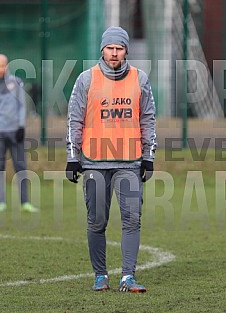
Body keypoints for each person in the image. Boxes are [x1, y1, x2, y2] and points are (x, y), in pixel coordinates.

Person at [66, 27, 157, 292]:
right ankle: (100, 275)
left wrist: (148, 157)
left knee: (132, 220)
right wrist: (73, 158)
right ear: (102, 50)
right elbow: (74, 120)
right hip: (94, 163)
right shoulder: (86, 79)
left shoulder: (140, 79)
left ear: (126, 50)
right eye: (110, 48)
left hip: (129, 162)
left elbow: (148, 119)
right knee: (96, 221)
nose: (114, 53)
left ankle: (128, 277)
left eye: (119, 48)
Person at [0, 54, 38, 213]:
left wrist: (21, 127)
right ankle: (1, 202)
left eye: (3, 66)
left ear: (7, 66)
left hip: (15, 132)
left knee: (21, 167)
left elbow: (22, 105)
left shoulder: (15, 82)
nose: (1, 69)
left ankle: (25, 202)